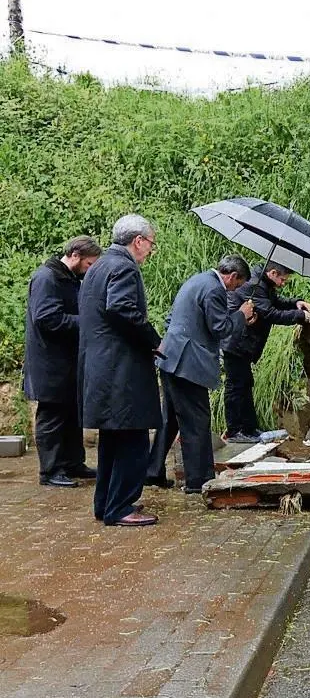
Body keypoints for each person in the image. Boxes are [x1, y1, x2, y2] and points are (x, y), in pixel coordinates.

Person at [78, 215, 162, 527]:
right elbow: (122, 308)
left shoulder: (98, 265)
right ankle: (120, 507)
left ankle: (106, 504)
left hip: (101, 366)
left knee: (112, 441)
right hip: (121, 369)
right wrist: (154, 341)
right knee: (133, 440)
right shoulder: (124, 266)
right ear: (138, 240)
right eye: (150, 244)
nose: (150, 251)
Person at [148, 256, 256, 493]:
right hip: (188, 364)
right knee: (196, 420)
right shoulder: (215, 290)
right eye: (237, 285)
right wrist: (241, 315)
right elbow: (220, 328)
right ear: (232, 276)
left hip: (170, 356)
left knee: (171, 419)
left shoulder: (197, 280)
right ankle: (199, 480)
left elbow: (173, 318)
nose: (234, 290)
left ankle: (152, 470)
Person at [23, 235, 103, 488]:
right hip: (49, 362)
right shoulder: (46, 278)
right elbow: (47, 318)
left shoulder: (69, 279)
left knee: (71, 413)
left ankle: (72, 463)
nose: (90, 270)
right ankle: (50, 470)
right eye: (90, 264)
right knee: (52, 415)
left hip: (66, 361)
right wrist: (86, 322)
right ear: (76, 256)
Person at [221, 262, 310, 443]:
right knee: (236, 387)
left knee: (245, 385)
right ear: (272, 273)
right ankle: (235, 430)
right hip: (236, 342)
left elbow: (276, 303)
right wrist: (299, 316)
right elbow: (270, 313)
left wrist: (296, 303)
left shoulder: (264, 285)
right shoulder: (253, 285)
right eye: (283, 279)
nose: (283, 283)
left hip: (244, 344)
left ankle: (249, 429)